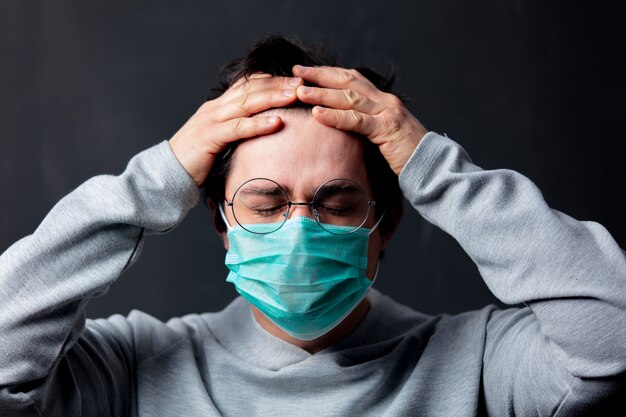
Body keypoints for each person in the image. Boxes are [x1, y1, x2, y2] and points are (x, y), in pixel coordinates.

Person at [0, 34, 624, 416]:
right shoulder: (134, 367)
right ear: (221, 221)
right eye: (266, 204)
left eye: (336, 203)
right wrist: (158, 176)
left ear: (385, 222)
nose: (300, 230)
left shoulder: (480, 364)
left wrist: (430, 164)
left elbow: (614, 341)